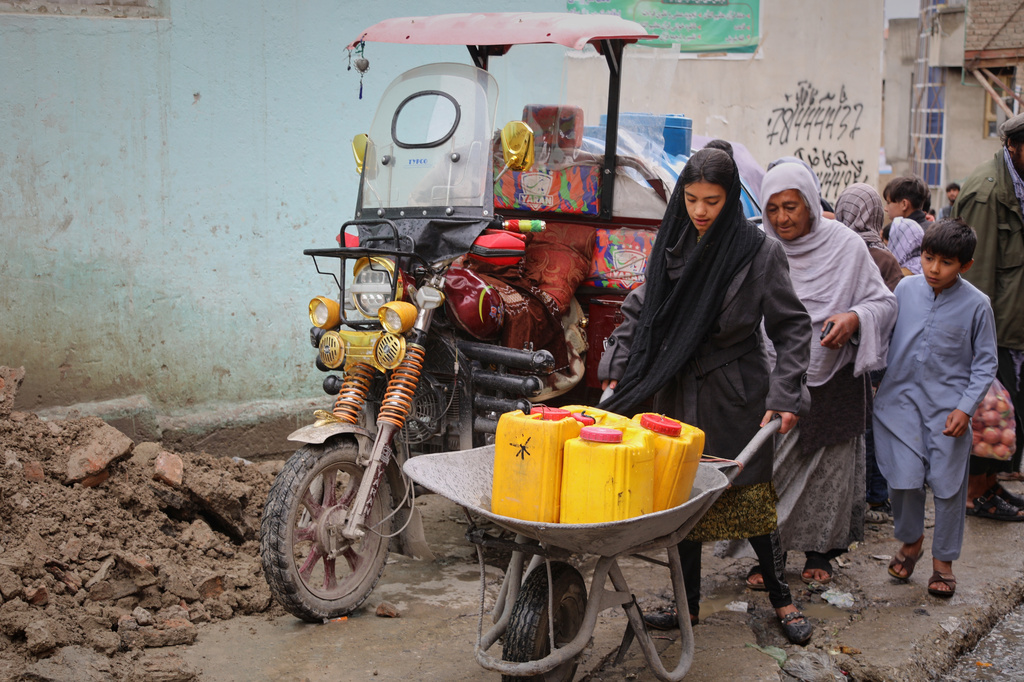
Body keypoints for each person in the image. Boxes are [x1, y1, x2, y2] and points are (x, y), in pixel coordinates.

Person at [597, 146, 814, 645]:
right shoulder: (672, 243)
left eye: (712, 201)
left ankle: (782, 597)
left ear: (731, 198)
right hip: (673, 389)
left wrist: (785, 396)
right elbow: (639, 309)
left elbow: (792, 328)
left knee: (752, 500)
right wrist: (616, 375)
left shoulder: (758, 252)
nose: (699, 211)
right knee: (682, 500)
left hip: (736, 392)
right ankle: (687, 606)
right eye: (691, 199)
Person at [737, 162, 897, 585]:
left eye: (791, 207)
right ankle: (766, 558)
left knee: (828, 477)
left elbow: (884, 303)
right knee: (767, 472)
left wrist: (854, 318)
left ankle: (819, 554)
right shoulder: (758, 248)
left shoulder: (845, 246)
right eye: (771, 208)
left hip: (835, 380)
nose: (781, 218)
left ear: (809, 203)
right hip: (773, 376)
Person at [873, 219, 998, 597]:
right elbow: (883, 336)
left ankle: (943, 562)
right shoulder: (905, 289)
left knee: (947, 487)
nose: (934, 269)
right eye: (928, 258)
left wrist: (965, 408)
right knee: (903, 480)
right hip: (898, 406)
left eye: (945, 262)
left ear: (965, 265)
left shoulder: (978, 305)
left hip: (949, 414)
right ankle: (911, 542)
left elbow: (986, 363)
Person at [951, 111, 1024, 514]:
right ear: (1012, 146)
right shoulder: (987, 192)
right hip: (996, 329)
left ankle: (990, 485)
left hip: (1015, 324)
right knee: (989, 413)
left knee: (1006, 415)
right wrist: (980, 344)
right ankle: (976, 491)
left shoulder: (1017, 184)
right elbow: (973, 275)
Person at [834, 184, 903, 524]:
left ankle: (853, 493)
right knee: (871, 425)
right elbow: (891, 309)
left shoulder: (833, 248)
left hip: (834, 352)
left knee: (850, 427)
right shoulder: (884, 257)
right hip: (874, 354)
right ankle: (875, 497)